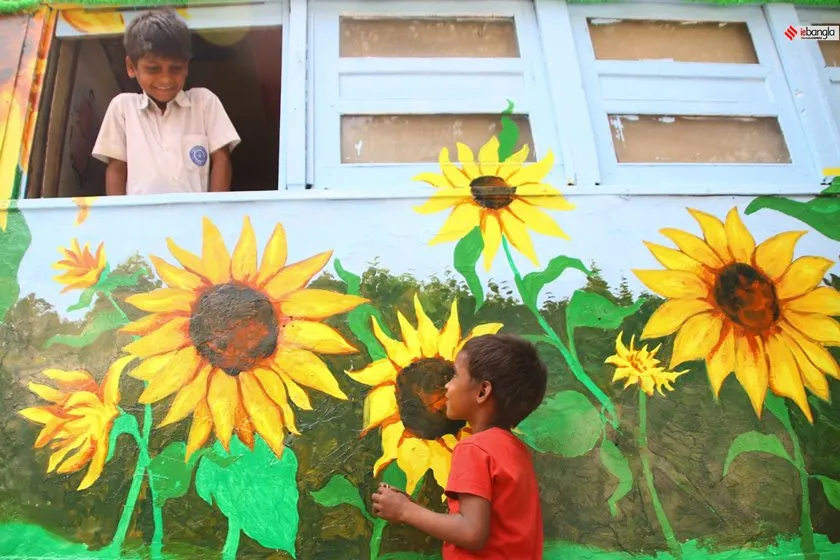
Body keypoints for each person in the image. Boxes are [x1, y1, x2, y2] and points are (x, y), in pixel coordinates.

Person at [372, 333, 548, 559]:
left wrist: (405, 511)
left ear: (482, 392)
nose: (447, 386)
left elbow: (472, 532)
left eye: (454, 375)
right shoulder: (516, 451)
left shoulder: (474, 449)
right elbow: (490, 527)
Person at [92, 9, 240, 196]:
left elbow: (222, 159)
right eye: (153, 69)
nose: (166, 79)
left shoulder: (204, 102)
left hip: (194, 220)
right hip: (140, 221)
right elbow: (116, 169)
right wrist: (121, 221)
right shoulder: (122, 108)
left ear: (186, 66)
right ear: (131, 67)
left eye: (175, 68)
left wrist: (213, 213)